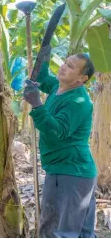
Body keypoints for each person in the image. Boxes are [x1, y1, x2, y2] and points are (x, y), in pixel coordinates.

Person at [23, 47, 97, 238]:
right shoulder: (58, 86)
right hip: (63, 169)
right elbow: (40, 76)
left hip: (71, 172)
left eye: (71, 67)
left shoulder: (79, 101)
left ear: (82, 79)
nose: (63, 67)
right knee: (78, 233)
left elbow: (57, 132)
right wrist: (44, 56)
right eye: (65, 62)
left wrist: (37, 104)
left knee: (61, 232)